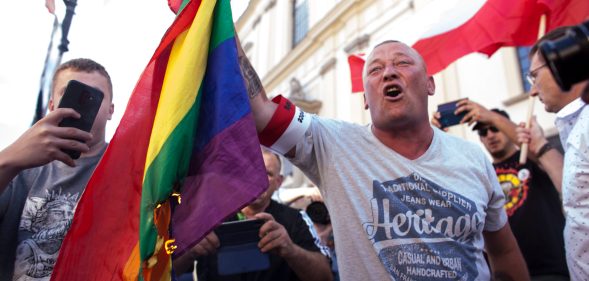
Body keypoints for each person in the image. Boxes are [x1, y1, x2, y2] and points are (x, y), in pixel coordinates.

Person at [236, 35, 529, 280]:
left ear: (430, 84)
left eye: (402, 63)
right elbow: (261, 113)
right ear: (365, 98)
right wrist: (220, 17)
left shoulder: (473, 159)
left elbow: (503, 252)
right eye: (375, 70)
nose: (389, 72)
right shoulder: (331, 144)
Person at [0, 58, 114, 280]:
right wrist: (7, 161)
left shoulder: (129, 168)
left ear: (111, 110)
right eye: (70, 92)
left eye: (94, 96)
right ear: (52, 105)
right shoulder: (19, 167)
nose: (83, 104)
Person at [434, 103, 569, 280]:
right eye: (483, 132)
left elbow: (541, 152)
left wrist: (490, 116)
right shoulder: (480, 172)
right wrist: (435, 138)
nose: (490, 135)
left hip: (550, 271)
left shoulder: (530, 158)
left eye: (494, 128)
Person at [173, 148, 332, 281]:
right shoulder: (207, 218)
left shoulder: (296, 219)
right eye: (251, 171)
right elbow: (167, 271)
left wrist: (290, 249)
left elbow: (326, 277)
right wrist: (191, 251)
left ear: (279, 182)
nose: (259, 178)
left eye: (268, 173)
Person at [520, 26, 589, 280]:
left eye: (534, 76)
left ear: (564, 64)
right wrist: (540, 145)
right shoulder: (577, 127)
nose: (533, 90)